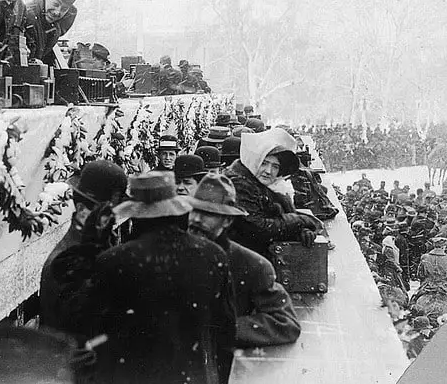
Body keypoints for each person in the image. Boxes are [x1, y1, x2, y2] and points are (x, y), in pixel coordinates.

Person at [52, 172, 236, 383]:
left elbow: (77, 319)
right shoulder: (213, 255)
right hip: (193, 376)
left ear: (136, 215)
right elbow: (225, 332)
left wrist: (91, 246)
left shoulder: (117, 260)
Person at [187, 174, 301, 347]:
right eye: (194, 210)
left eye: (207, 214)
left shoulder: (252, 265)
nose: (196, 219)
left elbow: (285, 323)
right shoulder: (172, 255)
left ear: (227, 220)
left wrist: (219, 330)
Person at [39, 160, 128, 331]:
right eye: (105, 213)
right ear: (81, 210)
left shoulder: (96, 244)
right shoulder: (67, 262)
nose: (112, 220)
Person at [224, 128, 322, 259]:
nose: (268, 171)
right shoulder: (239, 185)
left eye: (275, 166)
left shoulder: (259, 184)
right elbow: (257, 228)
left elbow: (275, 220)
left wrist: (300, 231)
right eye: (264, 163)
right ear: (253, 160)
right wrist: (299, 221)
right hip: (239, 259)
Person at [25, 0, 80, 66]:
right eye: (55, 4)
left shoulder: (64, 19)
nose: (57, 12)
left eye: (64, 8)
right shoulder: (28, 15)